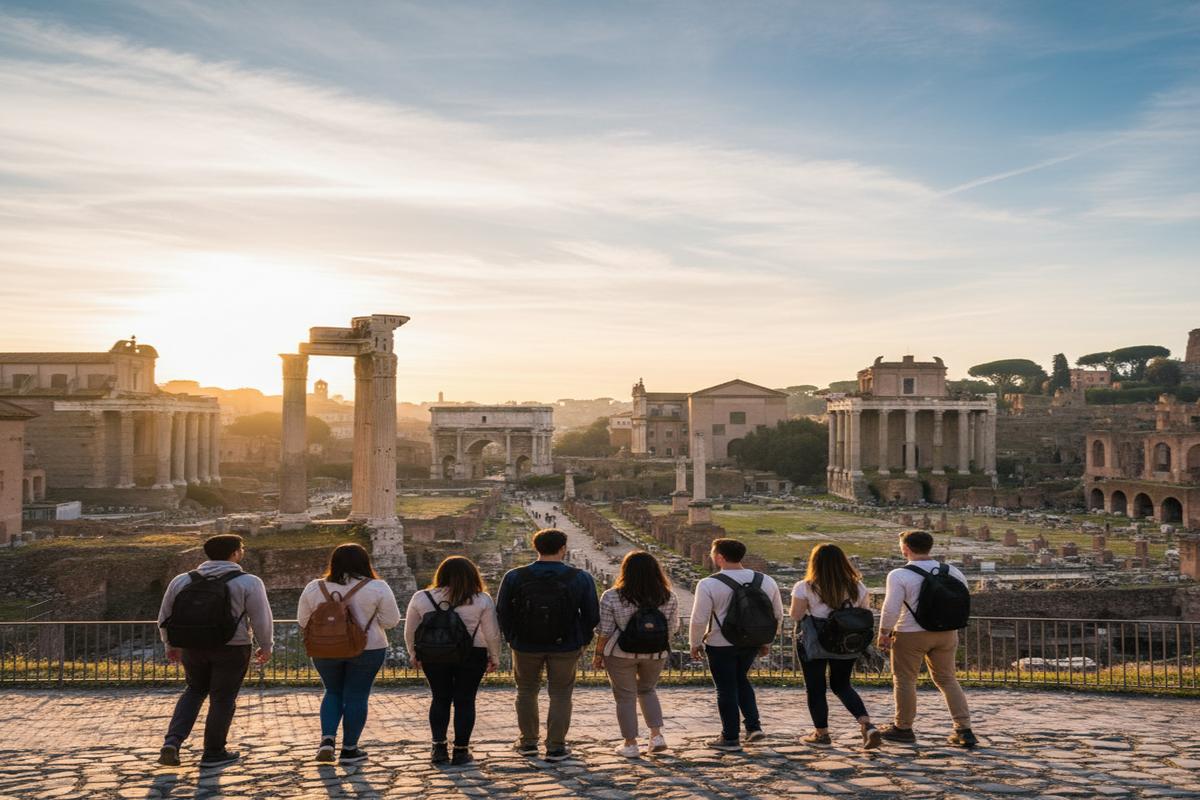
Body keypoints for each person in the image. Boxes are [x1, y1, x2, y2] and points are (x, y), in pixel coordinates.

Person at [157, 534, 273, 768]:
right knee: (223, 698)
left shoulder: (182, 580)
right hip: (233, 647)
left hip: (192, 646)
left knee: (193, 691)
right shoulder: (249, 582)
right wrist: (266, 645)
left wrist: (170, 644)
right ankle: (213, 752)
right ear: (235, 553)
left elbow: (165, 616)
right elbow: (261, 617)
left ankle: (172, 742)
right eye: (241, 549)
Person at [496, 528, 600, 762]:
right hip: (566, 645)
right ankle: (556, 747)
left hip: (525, 645)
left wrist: (512, 637)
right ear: (563, 549)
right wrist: (582, 640)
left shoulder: (514, 576)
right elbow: (592, 615)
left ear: (536, 547)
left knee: (526, 691)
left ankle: (528, 743)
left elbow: (502, 611)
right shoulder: (580, 578)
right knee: (561, 694)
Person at [297, 543, 401, 764]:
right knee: (357, 695)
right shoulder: (377, 587)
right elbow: (391, 621)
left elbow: (303, 621)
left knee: (332, 691)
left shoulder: (314, 587)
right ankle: (350, 749)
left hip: (325, 648)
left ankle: (327, 740)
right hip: (368, 647)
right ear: (365, 562)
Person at [876, 530, 977, 747]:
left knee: (905, 680)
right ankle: (964, 728)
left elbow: (891, 608)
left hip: (910, 633)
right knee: (947, 679)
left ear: (905, 548)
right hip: (947, 632)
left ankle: (903, 727)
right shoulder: (953, 571)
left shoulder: (899, 575)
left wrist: (884, 632)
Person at [404, 556, 501, 766]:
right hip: (472, 652)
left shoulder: (421, 597)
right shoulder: (481, 599)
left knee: (440, 698)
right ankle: (461, 751)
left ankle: (438, 748)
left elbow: (410, 630)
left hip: (433, 653)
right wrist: (494, 656)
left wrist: (413, 653)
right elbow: (491, 632)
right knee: (465, 700)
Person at [689, 538, 783, 752]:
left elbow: (699, 619)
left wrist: (695, 643)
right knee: (740, 680)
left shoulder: (709, 584)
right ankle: (753, 727)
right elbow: (777, 615)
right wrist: (766, 640)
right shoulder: (766, 580)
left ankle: (730, 737)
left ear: (720, 557)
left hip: (720, 642)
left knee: (726, 688)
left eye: (713, 553)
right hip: (752, 641)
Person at [790, 544, 881, 749]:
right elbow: (863, 612)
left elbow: (796, 615)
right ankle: (867, 724)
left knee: (815, 688)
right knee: (842, 685)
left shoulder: (805, 586)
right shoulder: (857, 587)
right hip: (846, 642)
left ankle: (822, 734)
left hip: (814, 643)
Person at [591, 551, 680, 758]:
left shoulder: (612, 596)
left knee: (625, 697)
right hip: (655, 652)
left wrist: (598, 653)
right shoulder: (669, 596)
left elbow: (605, 630)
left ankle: (630, 744)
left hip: (620, 652)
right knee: (648, 690)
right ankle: (657, 736)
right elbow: (672, 628)